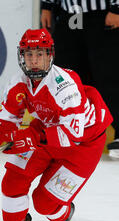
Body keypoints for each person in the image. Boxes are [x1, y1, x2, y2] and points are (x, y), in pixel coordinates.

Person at [0, 29, 112, 221]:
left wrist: (32, 137)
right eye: (29, 55)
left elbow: (74, 133)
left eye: (39, 55)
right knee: (13, 179)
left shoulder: (64, 85)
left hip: (83, 145)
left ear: (50, 55)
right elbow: (6, 120)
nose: (34, 61)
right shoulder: (18, 83)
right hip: (45, 132)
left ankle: (63, 213)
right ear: (21, 56)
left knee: (44, 203)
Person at [40, 0, 119, 159]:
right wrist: (47, 6)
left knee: (109, 74)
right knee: (67, 76)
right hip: (71, 14)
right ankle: (73, 132)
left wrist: (117, 8)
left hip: (103, 14)